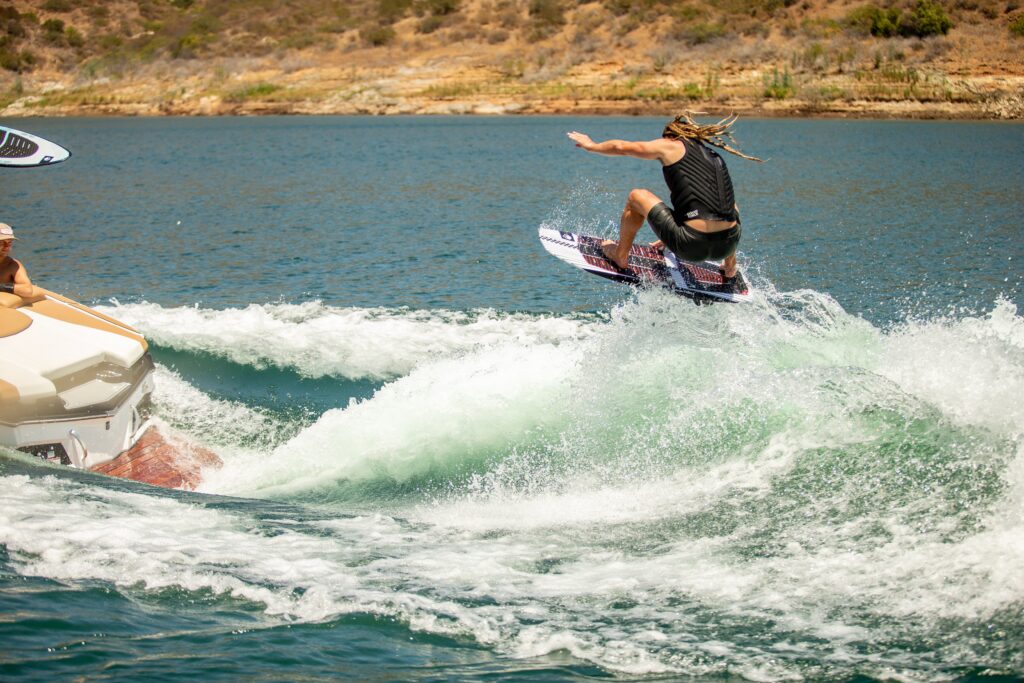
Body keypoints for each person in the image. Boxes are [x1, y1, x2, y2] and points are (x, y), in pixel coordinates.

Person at [567, 111, 762, 280]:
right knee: (728, 204)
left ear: (671, 136)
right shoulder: (713, 158)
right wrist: (674, 230)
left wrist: (591, 145)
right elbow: (710, 207)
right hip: (726, 245)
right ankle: (730, 265)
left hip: (691, 246)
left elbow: (621, 147)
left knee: (637, 196)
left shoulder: (672, 144)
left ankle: (620, 255)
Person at [0, 222, 38, 298]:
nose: (7, 247)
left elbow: (27, 290)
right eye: (1, 243)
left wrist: (1, 287)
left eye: (9, 243)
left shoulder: (13, 265)